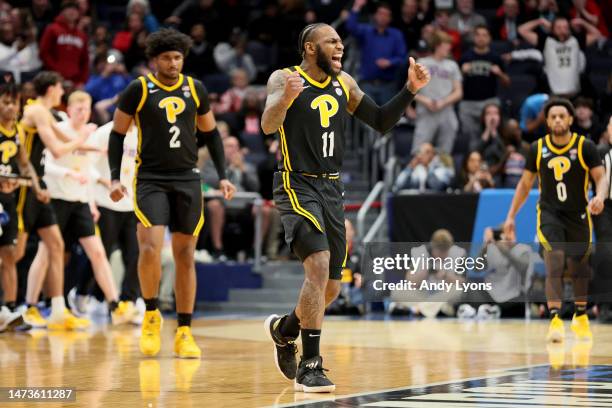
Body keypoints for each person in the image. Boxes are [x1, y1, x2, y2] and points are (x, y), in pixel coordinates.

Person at [261, 22, 430, 392]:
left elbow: (381, 121)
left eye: (340, 42)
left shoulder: (345, 83)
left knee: (331, 288)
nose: (339, 47)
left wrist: (410, 90)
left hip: (332, 187)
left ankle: (284, 330)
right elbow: (268, 125)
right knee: (317, 265)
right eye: (332, 42)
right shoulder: (284, 78)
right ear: (309, 48)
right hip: (295, 182)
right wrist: (286, 99)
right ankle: (312, 364)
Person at [108, 29, 236, 359]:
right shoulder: (138, 89)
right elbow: (116, 135)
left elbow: (212, 136)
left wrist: (223, 176)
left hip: (187, 179)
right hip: (149, 177)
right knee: (149, 247)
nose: (173, 63)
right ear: (155, 60)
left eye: (178, 57)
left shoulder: (196, 89)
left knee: (185, 255)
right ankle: (151, 313)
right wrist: (113, 178)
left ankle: (183, 330)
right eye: (166, 57)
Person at [504, 98, 608, 343]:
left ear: (571, 119)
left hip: (579, 215)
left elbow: (600, 177)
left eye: (562, 116)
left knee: (578, 268)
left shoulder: (585, 146)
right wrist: (510, 216)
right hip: (550, 213)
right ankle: (555, 320)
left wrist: (600, 197)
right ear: (547, 121)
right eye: (553, 117)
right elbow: (525, 184)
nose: (558, 120)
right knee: (554, 261)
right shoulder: (537, 148)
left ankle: (580, 315)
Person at [38, 90, 131, 325]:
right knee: (49, 254)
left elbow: (87, 170)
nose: (83, 113)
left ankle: (115, 305)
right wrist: (69, 172)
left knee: (98, 253)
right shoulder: (61, 130)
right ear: (68, 110)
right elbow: (47, 162)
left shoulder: (89, 134)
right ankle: (37, 303)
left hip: (80, 202)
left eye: (87, 109)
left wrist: (91, 201)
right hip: (57, 199)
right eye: (78, 109)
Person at [17, 71, 92, 330]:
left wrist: (95, 146)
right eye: (61, 88)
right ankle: (21, 306)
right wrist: (81, 141)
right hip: (23, 185)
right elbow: (58, 149)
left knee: (56, 245)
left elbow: (69, 141)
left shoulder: (47, 114)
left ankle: (58, 309)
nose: (62, 93)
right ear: (51, 89)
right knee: (14, 252)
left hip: (39, 187)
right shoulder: (36, 111)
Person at [0, 82, 43, 332]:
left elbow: (24, 164)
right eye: (5, 102)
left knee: (10, 254)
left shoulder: (17, 130)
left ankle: (10, 307)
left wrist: (36, 187)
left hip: (7, 200)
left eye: (14, 103)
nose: (10, 107)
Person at [518, 16, 602, 97]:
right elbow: (521, 30)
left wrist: (582, 22)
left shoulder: (576, 40)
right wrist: (539, 21)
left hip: (574, 93)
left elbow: (597, 34)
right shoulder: (545, 40)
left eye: (565, 27)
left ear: (569, 29)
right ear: (552, 29)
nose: (562, 30)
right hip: (552, 93)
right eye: (558, 27)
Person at [346, 0, 407, 106]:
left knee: (388, 120)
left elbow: (403, 57)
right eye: (380, 13)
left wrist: (390, 62)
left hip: (388, 85)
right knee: (365, 120)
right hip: (367, 83)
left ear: (390, 18)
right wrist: (356, 7)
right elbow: (351, 27)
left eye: (386, 15)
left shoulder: (396, 35)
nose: (383, 17)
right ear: (375, 16)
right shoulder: (366, 31)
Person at [412, 30, 462, 155]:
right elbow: (409, 90)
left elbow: (459, 92)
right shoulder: (422, 63)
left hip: (446, 111)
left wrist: (443, 102)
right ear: (437, 45)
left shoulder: (452, 65)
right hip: (426, 111)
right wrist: (426, 100)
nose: (449, 47)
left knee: (445, 153)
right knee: (419, 151)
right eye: (446, 44)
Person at [459, 25, 510, 145]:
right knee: (470, 139)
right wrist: (461, 72)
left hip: (489, 102)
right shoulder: (465, 57)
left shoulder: (495, 58)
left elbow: (507, 83)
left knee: (494, 135)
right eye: (478, 35)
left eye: (484, 35)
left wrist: (500, 74)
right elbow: (454, 83)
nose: (481, 38)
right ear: (474, 38)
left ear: (489, 38)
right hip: (468, 103)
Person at [39, 1, 89, 86]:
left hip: (75, 81)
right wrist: (55, 72)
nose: (72, 12)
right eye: (69, 9)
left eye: (75, 10)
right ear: (62, 12)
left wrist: (82, 81)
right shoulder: (52, 29)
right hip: (54, 79)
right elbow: (44, 53)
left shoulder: (82, 35)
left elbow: (85, 60)